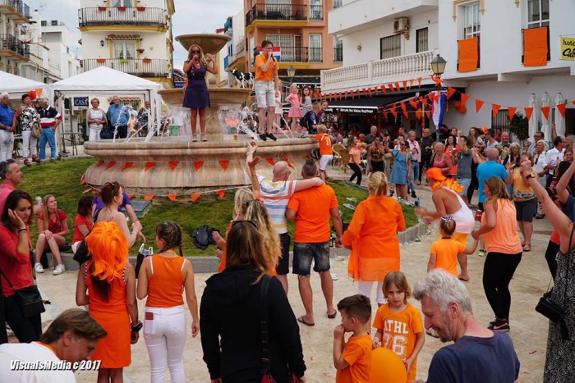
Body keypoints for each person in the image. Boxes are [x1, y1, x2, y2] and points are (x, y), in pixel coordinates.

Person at [200, 221, 306, 383]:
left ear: (230, 248)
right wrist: (298, 369)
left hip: (232, 370)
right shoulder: (269, 285)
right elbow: (289, 331)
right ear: (258, 247)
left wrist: (214, 372)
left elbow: (209, 339)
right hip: (269, 370)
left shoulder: (213, 288)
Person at [519, 159, 575, 381]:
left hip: (567, 305)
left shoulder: (568, 232)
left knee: (562, 353)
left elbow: (544, 197)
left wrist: (530, 177)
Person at [413, 270, 520, 383]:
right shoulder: (505, 341)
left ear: (453, 310)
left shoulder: (448, 360)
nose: (427, 325)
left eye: (430, 315)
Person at [247, 143, 324, 292]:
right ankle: (281, 302)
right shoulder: (287, 187)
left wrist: (250, 152)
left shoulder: (262, 183)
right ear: (285, 175)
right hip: (280, 235)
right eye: (288, 173)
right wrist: (321, 178)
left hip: (262, 233)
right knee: (281, 274)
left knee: (262, 270)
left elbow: (248, 167)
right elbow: (316, 182)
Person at [75, 221, 140, 383]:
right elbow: (131, 302)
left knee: (102, 372)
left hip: (95, 323)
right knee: (117, 372)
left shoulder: (85, 267)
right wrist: (135, 325)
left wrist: (97, 300)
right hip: (119, 323)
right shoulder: (126, 268)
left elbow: (80, 299)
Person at [137, 221, 199, 383]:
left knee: (156, 368)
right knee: (176, 365)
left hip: (152, 316)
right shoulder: (185, 264)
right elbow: (191, 297)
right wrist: (196, 319)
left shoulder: (147, 262)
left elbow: (141, 294)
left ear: (161, 240)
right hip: (176, 316)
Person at [287, 159, 343, 326]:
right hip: (323, 238)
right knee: (325, 271)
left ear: (303, 174)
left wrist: (298, 216)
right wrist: (340, 236)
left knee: (303, 277)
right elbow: (336, 216)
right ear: (318, 173)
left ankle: (309, 315)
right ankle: (331, 308)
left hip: (303, 239)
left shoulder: (298, 193)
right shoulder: (328, 191)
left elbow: (289, 215)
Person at [342, 172, 406, 305]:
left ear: (369, 187)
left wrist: (345, 242)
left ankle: (364, 326)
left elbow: (353, 231)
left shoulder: (364, 206)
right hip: (389, 256)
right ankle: (382, 326)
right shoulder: (394, 205)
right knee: (384, 297)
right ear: (386, 186)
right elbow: (401, 227)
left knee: (363, 297)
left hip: (368, 256)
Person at [0, 308, 107, 383]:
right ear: (68, 338)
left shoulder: (5, 350)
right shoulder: (60, 375)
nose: (89, 358)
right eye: (88, 349)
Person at [471, 177, 522, 332]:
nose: (483, 189)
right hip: (515, 251)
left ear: (492, 188)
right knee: (502, 285)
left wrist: (478, 233)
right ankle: (503, 321)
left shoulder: (490, 203)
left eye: (485, 187)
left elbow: (492, 223)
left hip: (499, 251)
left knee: (489, 284)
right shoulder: (509, 203)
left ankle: (501, 319)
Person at [415, 168, 475, 281]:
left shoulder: (437, 193)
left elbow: (443, 215)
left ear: (430, 179)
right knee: (460, 248)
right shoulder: (447, 188)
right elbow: (445, 214)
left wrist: (426, 213)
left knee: (443, 246)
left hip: (459, 221)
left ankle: (441, 274)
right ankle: (464, 273)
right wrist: (431, 218)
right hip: (468, 218)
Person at [0, 190, 42, 343]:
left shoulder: (24, 228)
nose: (27, 213)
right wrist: (22, 229)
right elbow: (22, 257)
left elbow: (29, 257)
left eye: (29, 208)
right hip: (12, 295)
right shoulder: (3, 231)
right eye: (22, 209)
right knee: (29, 340)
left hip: (29, 289)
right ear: (10, 210)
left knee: (38, 339)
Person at [372, 272, 425, 383]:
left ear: (405, 291)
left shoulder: (413, 313)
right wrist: (376, 339)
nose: (395, 297)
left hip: (406, 366)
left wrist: (411, 359)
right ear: (385, 293)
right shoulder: (382, 311)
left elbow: (421, 338)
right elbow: (379, 331)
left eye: (399, 292)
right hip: (386, 365)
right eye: (391, 293)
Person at [333, 294, 372, 383]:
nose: (341, 321)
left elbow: (339, 364)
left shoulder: (358, 344)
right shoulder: (360, 337)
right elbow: (346, 353)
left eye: (343, 318)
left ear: (353, 321)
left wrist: (337, 339)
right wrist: (342, 338)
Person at [183, 43, 218, 142]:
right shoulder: (187, 62)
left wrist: (213, 60)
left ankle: (203, 134)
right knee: (193, 113)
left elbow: (215, 71)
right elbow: (185, 70)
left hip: (202, 88)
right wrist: (192, 61)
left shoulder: (203, 64)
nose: (196, 53)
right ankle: (194, 135)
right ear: (190, 53)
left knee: (202, 113)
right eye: (193, 51)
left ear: (200, 52)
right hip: (192, 89)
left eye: (197, 51)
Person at [95, 181, 142, 247]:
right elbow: (127, 243)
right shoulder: (118, 216)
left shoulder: (101, 212)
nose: (122, 196)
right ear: (115, 198)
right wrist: (135, 230)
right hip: (114, 255)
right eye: (121, 193)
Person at [507, 153, 537, 252]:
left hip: (529, 200)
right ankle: (525, 239)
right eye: (522, 160)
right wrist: (510, 172)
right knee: (520, 221)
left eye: (525, 160)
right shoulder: (516, 170)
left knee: (527, 221)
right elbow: (510, 182)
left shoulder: (532, 171)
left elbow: (527, 184)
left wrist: (522, 173)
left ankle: (528, 242)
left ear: (529, 162)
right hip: (517, 200)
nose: (523, 162)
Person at [34, 194, 68, 275]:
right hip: (47, 241)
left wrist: (52, 234)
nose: (54, 202)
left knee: (50, 236)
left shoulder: (60, 213)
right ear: (47, 204)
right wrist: (46, 232)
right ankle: (37, 264)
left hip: (60, 239)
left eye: (55, 200)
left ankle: (60, 264)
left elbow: (66, 231)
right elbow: (41, 232)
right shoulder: (42, 215)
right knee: (42, 236)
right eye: (51, 201)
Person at [254, 40, 279, 141]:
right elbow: (264, 68)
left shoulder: (274, 60)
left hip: (270, 83)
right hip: (260, 83)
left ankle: (269, 131)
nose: (270, 50)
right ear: (263, 49)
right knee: (263, 108)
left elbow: (276, 75)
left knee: (272, 108)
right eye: (268, 48)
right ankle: (261, 131)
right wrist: (269, 58)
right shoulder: (259, 58)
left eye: (271, 48)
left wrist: (277, 88)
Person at [17, 93, 41, 165]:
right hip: (25, 128)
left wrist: (39, 126)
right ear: (23, 101)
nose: (28, 100)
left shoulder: (33, 108)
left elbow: (37, 118)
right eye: (26, 99)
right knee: (26, 144)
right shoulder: (21, 108)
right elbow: (17, 116)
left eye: (29, 98)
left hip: (34, 127)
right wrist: (20, 112)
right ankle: (25, 158)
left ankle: (34, 156)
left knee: (33, 143)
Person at [456, 136, 472, 203]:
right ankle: (467, 207)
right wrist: (453, 155)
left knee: (461, 194)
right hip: (459, 175)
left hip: (466, 176)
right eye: (459, 141)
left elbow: (464, 150)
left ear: (465, 142)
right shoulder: (460, 152)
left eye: (461, 141)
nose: (460, 142)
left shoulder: (468, 150)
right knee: (463, 195)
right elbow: (454, 163)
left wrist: (458, 135)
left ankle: (464, 209)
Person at [0, 92, 15, 162]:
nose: (9, 100)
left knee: (10, 148)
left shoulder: (9, 108)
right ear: (2, 99)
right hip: (2, 131)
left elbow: (13, 118)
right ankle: (2, 166)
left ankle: (9, 166)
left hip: (10, 131)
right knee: (3, 149)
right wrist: (6, 127)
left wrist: (13, 125)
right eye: (7, 99)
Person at [407, 130, 421, 198]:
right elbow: (406, 152)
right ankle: (413, 191)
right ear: (409, 136)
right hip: (410, 162)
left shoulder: (416, 142)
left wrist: (419, 160)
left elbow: (419, 151)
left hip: (416, 162)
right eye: (412, 136)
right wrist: (411, 152)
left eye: (414, 136)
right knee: (411, 178)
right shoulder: (407, 143)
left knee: (416, 178)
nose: (413, 137)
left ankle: (407, 187)